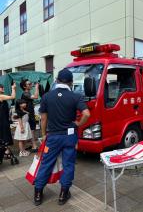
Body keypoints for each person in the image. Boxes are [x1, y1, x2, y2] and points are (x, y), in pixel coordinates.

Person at [33, 68, 90, 206]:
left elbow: (43, 119)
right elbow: (87, 114)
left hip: (53, 137)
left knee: (46, 163)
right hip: (69, 136)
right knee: (68, 164)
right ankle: (63, 194)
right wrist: (77, 124)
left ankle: (38, 193)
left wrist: (44, 134)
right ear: (71, 83)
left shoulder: (47, 96)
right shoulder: (76, 96)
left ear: (57, 80)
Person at [20, 79, 39, 152]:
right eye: (29, 84)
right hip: (28, 115)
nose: (31, 85)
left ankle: (32, 145)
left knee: (32, 129)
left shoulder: (28, 93)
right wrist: (36, 87)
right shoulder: (25, 93)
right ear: (24, 86)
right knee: (31, 129)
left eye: (31, 83)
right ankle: (33, 146)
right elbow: (36, 96)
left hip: (30, 113)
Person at [0, 83, 16, 158]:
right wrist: (13, 88)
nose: (2, 88)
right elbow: (13, 97)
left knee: (3, 135)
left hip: (3, 119)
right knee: (5, 135)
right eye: (1, 87)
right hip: (2, 120)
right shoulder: (1, 96)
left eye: (2, 87)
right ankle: (6, 152)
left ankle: (5, 152)